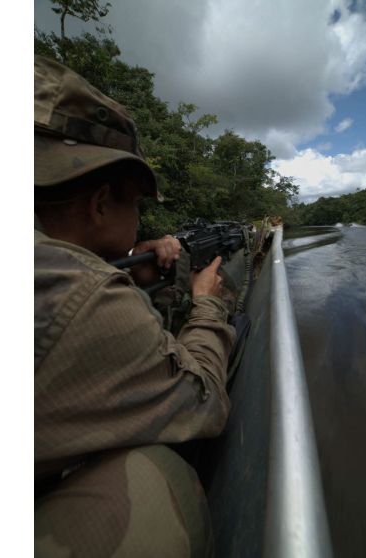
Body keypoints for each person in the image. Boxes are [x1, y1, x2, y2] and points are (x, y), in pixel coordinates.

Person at [34, 55, 235, 557]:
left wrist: (135, 274)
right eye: (137, 205)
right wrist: (206, 304)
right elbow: (202, 403)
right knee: (152, 475)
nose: (141, 219)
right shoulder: (83, 293)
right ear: (101, 202)